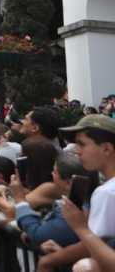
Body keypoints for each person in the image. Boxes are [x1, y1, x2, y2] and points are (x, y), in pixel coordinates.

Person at [37, 114, 115, 271]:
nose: (77, 152)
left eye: (82, 144)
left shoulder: (107, 192)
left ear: (106, 148)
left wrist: (79, 226)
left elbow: (95, 245)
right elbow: (98, 246)